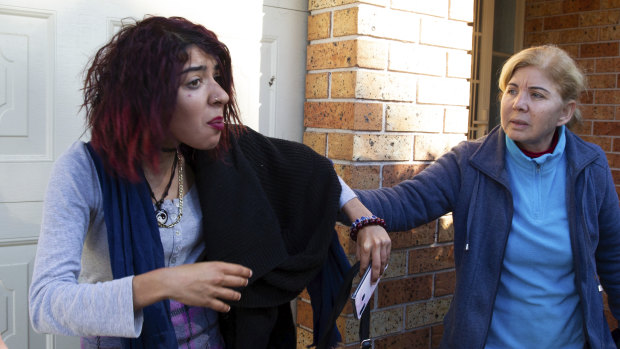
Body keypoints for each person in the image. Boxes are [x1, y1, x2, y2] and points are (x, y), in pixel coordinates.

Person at [28, 16, 390, 349]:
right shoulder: (83, 171)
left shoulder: (215, 151)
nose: (221, 95)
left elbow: (311, 172)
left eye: (217, 77)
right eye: (195, 82)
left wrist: (362, 219)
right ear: (144, 96)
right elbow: (46, 302)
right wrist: (165, 283)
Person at [343, 45, 620, 348]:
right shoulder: (470, 164)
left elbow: (613, 260)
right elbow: (400, 204)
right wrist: (344, 200)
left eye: (537, 95)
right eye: (511, 91)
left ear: (565, 112)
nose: (518, 104)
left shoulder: (590, 167)